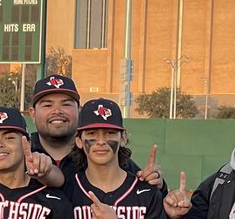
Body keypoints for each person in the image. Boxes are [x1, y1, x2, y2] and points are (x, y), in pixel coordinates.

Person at [28, 74, 163, 188]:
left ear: (79, 111)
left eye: (66, 104)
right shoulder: (21, 155)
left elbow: (143, 195)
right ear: (33, 114)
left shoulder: (103, 154)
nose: (57, 111)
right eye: (48, 105)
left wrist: (157, 184)